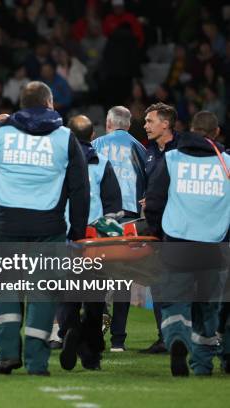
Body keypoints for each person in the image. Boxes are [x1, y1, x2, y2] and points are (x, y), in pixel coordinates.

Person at [0, 81, 89, 375]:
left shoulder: (1, 132)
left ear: (21, 104)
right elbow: (80, 189)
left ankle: (8, 355)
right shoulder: (65, 137)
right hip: (49, 226)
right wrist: (78, 232)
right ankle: (36, 361)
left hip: (7, 224)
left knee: (5, 290)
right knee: (43, 295)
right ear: (49, 104)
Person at [145, 110, 229, 376]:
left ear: (192, 129)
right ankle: (203, 365)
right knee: (207, 308)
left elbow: (154, 201)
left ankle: (176, 338)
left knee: (174, 301)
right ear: (216, 133)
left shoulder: (172, 159)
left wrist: (159, 234)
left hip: (177, 242)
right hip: (213, 246)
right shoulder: (227, 163)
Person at [58, 114, 122, 371]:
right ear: (93, 137)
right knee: (95, 300)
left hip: (64, 238)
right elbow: (113, 209)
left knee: (68, 297)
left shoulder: (59, 163)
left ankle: (70, 333)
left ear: (68, 136)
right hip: (94, 243)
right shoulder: (102, 162)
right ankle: (91, 353)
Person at [91, 105, 146, 352]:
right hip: (130, 219)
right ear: (129, 124)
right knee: (123, 278)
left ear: (108, 122)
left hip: (102, 216)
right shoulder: (140, 148)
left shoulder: (97, 145)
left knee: (95, 276)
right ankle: (118, 340)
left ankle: (96, 326)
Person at [139, 103, 180, 354]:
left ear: (165, 124)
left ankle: (181, 336)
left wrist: (157, 199)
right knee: (157, 282)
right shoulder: (151, 151)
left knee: (179, 283)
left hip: (178, 227)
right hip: (156, 227)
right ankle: (164, 336)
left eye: (150, 121)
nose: (145, 125)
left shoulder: (182, 150)